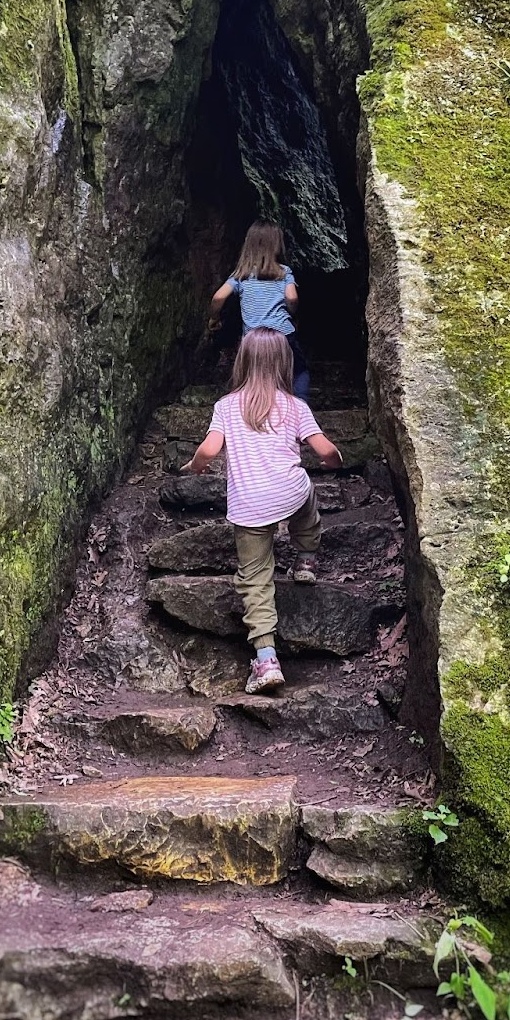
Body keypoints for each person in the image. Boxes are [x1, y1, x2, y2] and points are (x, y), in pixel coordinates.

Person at [183, 328, 342, 693]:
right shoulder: (295, 406)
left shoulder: (225, 407)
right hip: (288, 492)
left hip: (250, 503)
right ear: (285, 362)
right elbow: (323, 449)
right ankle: (305, 559)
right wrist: (336, 460)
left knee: (255, 579)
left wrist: (196, 466)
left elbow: (208, 451)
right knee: (306, 498)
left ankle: (267, 659)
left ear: (243, 361)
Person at [209, 220, 311, 401]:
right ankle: (301, 405)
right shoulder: (284, 272)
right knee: (299, 371)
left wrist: (214, 318)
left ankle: (250, 409)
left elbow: (218, 297)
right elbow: (292, 298)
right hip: (282, 336)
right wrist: (292, 314)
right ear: (277, 244)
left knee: (252, 376)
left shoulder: (241, 274)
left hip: (253, 338)